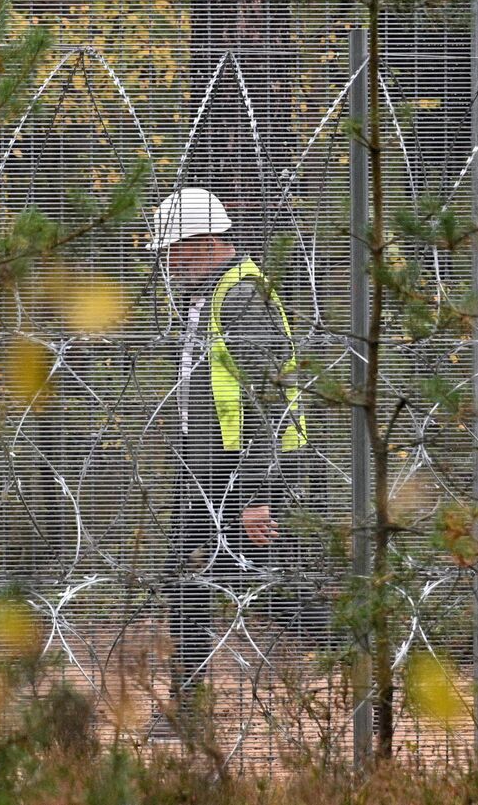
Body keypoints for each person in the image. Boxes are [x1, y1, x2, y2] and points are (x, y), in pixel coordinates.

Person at [145, 187, 318, 736]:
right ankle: (189, 706)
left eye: (172, 249)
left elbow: (263, 401)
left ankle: (365, 668)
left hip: (238, 473)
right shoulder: (209, 296)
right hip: (203, 471)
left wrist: (255, 497)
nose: (166, 262)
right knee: (188, 581)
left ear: (200, 242)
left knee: (278, 590)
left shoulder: (240, 296)